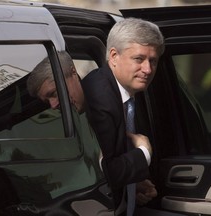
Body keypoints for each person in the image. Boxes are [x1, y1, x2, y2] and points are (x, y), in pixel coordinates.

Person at [81, 18, 180, 216]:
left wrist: (133, 184)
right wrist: (144, 152)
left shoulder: (126, 93)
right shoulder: (100, 97)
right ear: (114, 56)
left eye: (153, 60)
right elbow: (107, 174)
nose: (148, 69)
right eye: (139, 59)